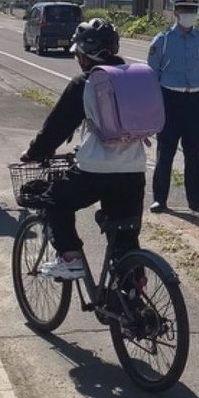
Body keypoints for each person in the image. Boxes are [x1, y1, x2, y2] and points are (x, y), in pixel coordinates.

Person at [20, 19, 160, 280]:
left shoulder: (84, 83)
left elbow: (56, 127)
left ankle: (70, 258)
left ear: (84, 53)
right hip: (133, 170)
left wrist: (35, 152)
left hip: (94, 171)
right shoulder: (134, 77)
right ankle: (134, 298)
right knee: (126, 238)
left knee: (54, 200)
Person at [147, 0, 199, 215]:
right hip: (169, 98)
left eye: (192, 11)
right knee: (165, 152)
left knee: (194, 152)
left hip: (194, 99)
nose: (189, 15)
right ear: (175, 12)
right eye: (185, 11)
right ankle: (160, 199)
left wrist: (193, 85)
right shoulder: (163, 40)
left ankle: (197, 200)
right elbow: (152, 73)